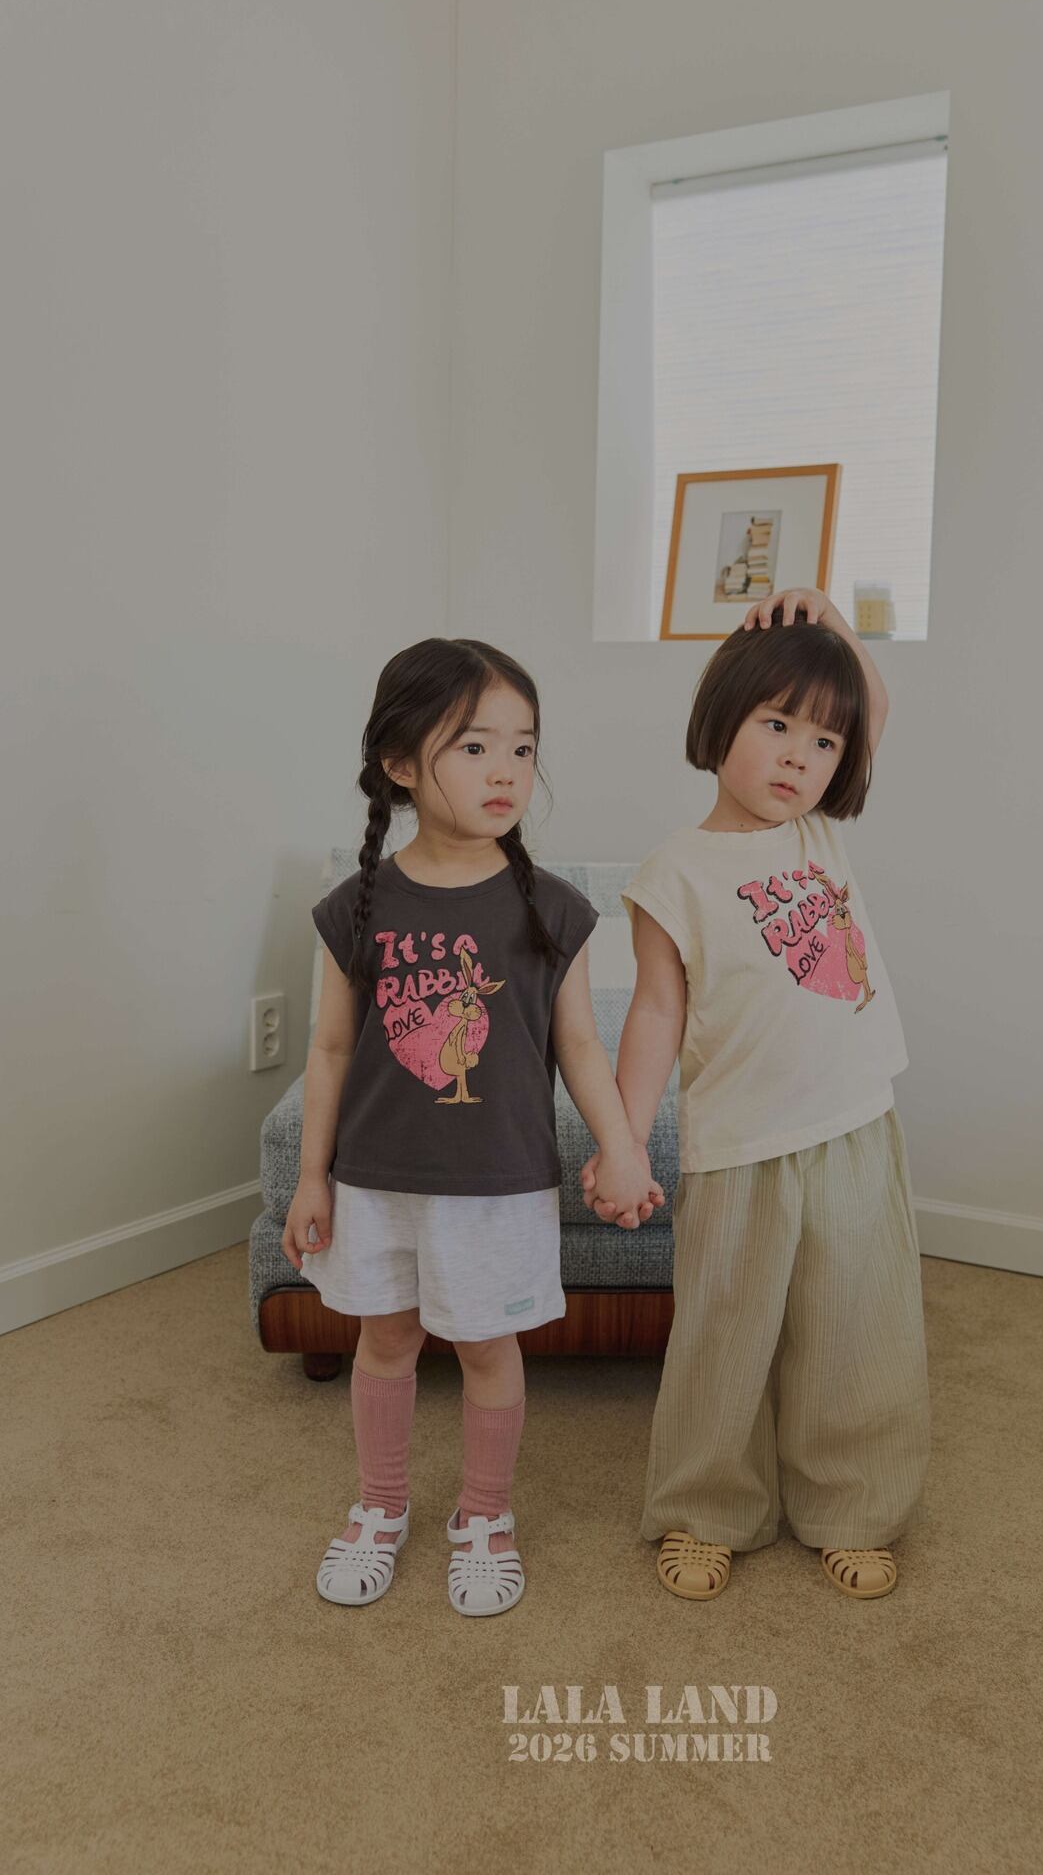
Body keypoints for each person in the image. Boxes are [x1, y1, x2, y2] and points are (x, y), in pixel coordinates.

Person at [283, 638, 661, 1614]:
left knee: (491, 1352)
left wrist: (622, 1147)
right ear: (400, 764)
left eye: (522, 749)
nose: (505, 772)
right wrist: (312, 1176)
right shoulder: (354, 908)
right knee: (385, 1343)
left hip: (499, 1184)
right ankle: (380, 1505)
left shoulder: (554, 911)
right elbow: (330, 1050)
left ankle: (484, 1515)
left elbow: (579, 1046)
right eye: (474, 746)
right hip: (376, 1180)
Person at [582, 589, 930, 1601]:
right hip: (739, 1146)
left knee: (857, 1329)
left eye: (823, 742)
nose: (797, 758)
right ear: (722, 717)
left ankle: (853, 1506)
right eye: (776, 725)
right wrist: (623, 1142)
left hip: (855, 1125)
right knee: (724, 1338)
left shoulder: (817, 836)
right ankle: (706, 1508)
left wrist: (829, 616)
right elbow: (655, 1011)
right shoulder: (674, 873)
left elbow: (875, 702)